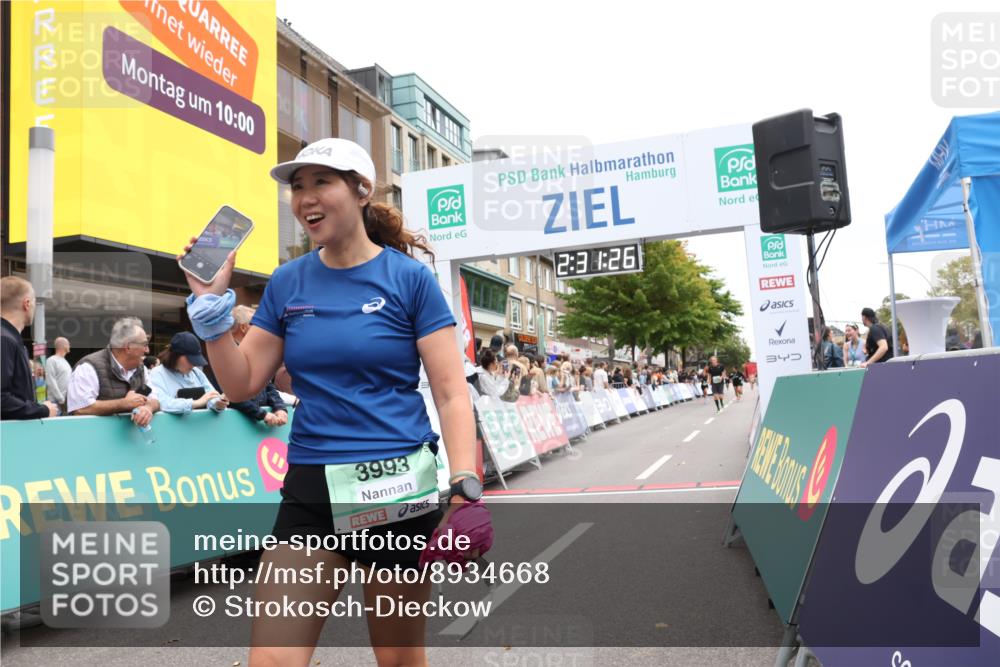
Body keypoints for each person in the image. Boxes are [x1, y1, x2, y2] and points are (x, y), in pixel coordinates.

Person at [180, 137, 484, 666]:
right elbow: (241, 384)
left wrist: (465, 484)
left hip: (394, 486)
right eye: (298, 186)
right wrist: (209, 315)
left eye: (321, 181)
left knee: (398, 659)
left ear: (361, 191)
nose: (305, 198)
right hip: (312, 485)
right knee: (273, 659)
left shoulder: (409, 280)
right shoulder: (289, 281)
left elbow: (452, 392)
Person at [66, 317, 159, 429]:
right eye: (144, 344)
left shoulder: (141, 368)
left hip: (131, 443)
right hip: (93, 441)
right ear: (128, 347)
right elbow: (80, 409)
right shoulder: (88, 367)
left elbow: (156, 399)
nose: (147, 350)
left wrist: (148, 408)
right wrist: (124, 403)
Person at [1, 277, 59, 420]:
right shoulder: (5, 339)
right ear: (26, 304)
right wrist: (43, 410)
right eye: (34, 302)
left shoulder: (8, 338)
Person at [227, 305, 289, 426]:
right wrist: (262, 414)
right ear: (244, 327)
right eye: (257, 326)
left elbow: (268, 386)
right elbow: (232, 395)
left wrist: (280, 408)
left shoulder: (254, 354)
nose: (262, 330)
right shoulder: (227, 356)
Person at [148, 332, 228, 415]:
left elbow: (210, 394)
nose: (193, 364)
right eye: (190, 359)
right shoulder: (158, 373)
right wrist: (196, 403)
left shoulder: (196, 372)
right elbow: (162, 403)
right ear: (176, 355)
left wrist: (217, 403)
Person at [44, 337, 72, 411]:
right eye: (69, 344)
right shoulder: (51, 360)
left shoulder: (65, 362)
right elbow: (50, 381)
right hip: (55, 403)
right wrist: (61, 399)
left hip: (65, 403)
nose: (70, 346)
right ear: (65, 346)